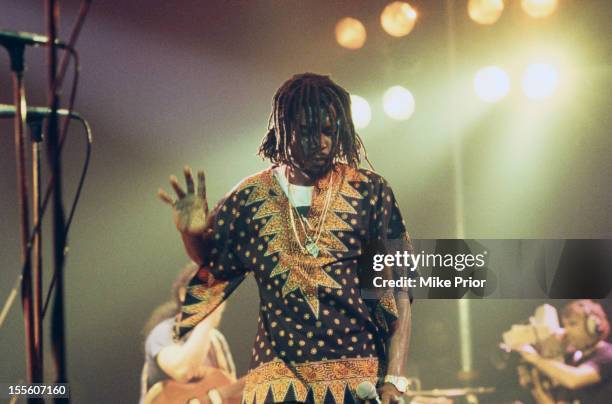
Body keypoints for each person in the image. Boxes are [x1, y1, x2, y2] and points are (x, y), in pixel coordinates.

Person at [158, 73, 413, 404]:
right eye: (308, 131)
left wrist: (394, 378)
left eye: (329, 130)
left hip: (356, 382)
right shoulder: (249, 197)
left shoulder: (369, 191)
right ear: (284, 130)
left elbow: (400, 289)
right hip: (278, 386)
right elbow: (213, 264)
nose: (321, 142)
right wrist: (190, 233)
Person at [140, 262, 245, 404]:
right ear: (183, 294)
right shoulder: (162, 333)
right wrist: (207, 317)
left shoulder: (216, 340)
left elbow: (229, 393)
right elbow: (183, 370)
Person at [515, 300, 612, 404]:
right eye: (565, 325)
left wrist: (535, 358)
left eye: (572, 324)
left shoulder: (607, 354)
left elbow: (574, 379)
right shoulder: (574, 359)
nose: (566, 330)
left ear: (593, 325)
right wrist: (535, 384)